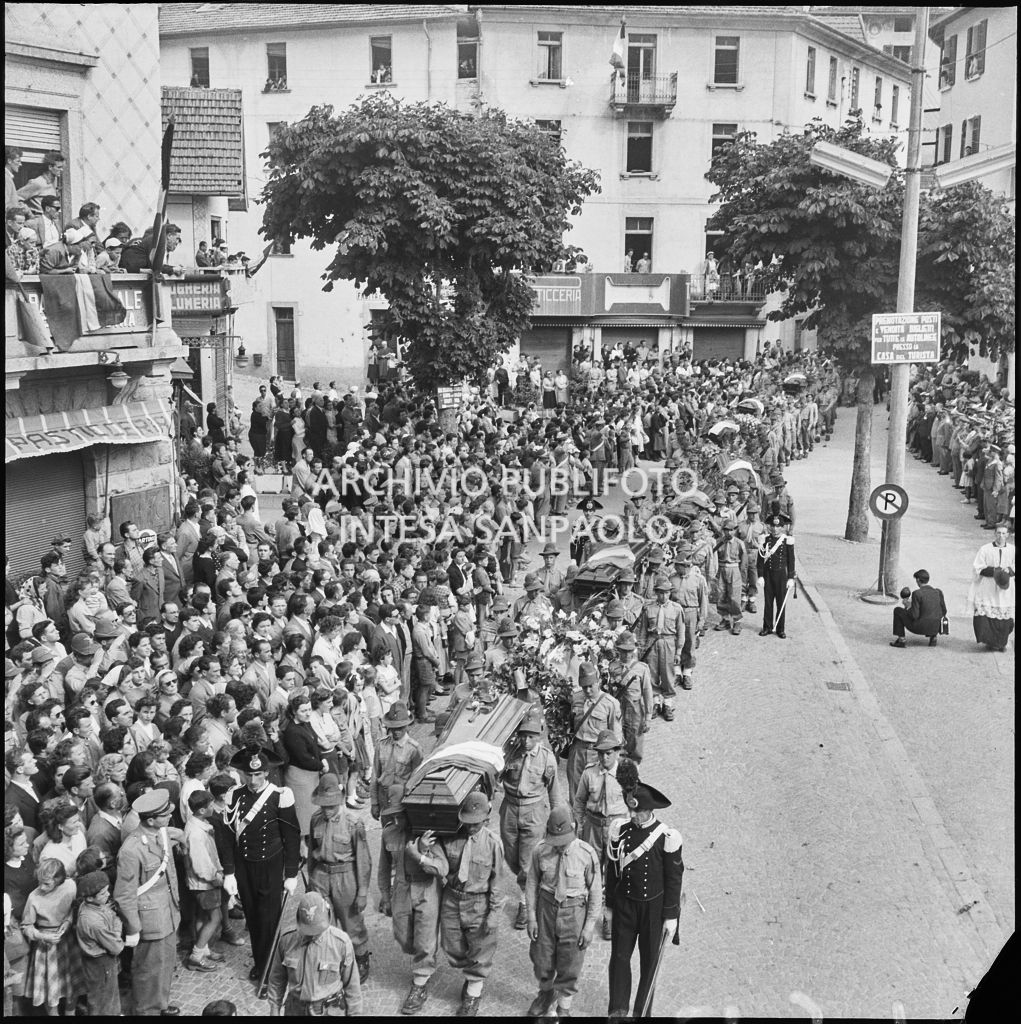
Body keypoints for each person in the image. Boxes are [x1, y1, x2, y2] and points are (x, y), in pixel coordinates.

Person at [606, 773, 684, 1021]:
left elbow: (674, 878)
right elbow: (612, 870)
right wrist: (609, 906)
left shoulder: (667, 837)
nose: (633, 816)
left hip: (653, 909)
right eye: (631, 810)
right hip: (625, 906)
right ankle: (617, 1009)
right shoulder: (620, 831)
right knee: (619, 958)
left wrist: (671, 916)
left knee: (649, 963)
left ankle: (641, 1013)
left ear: (649, 810)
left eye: (638, 812)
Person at [221, 743, 301, 982]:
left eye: (258, 774)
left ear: (266, 772)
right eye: (249, 775)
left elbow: (291, 836)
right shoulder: (233, 795)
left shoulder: (280, 796)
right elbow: (226, 838)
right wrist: (229, 873)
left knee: (269, 919)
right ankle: (260, 962)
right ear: (241, 774)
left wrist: (291, 874)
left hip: (271, 864)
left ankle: (271, 969)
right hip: (245, 865)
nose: (253, 780)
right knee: (253, 918)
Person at [524, 804, 601, 1020]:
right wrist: (531, 917)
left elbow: (595, 893)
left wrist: (588, 927)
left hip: (574, 912)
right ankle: (546, 993)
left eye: (563, 841)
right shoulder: (540, 850)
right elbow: (531, 883)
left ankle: (563, 1007)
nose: (558, 846)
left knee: (571, 961)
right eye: (554, 841)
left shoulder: (586, 854)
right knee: (542, 958)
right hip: (545, 910)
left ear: (574, 830)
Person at [378, 784, 449, 1015]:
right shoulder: (388, 833)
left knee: (425, 939)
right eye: (394, 814)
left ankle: (420, 982)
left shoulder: (428, 834)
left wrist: (421, 854)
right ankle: (422, 960)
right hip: (401, 888)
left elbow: (441, 869)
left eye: (401, 813)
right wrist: (385, 897)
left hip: (426, 889)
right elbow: (383, 867)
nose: (398, 818)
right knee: (402, 935)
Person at [112, 789, 182, 1016]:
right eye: (165, 814)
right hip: (149, 920)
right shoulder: (131, 850)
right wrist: (133, 928)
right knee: (148, 970)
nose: (170, 815)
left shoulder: (159, 833)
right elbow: (124, 895)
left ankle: (160, 1004)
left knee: (165, 965)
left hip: (169, 912)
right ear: (150, 820)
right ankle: (146, 1010)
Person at [438, 791, 504, 1016]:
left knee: (480, 949)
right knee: (451, 945)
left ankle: (473, 991)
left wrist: (494, 913)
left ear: (486, 819)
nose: (471, 827)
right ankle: (471, 972)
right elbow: (440, 863)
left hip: (479, 902)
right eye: (467, 822)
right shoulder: (451, 837)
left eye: (476, 823)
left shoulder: (493, 843)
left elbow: (497, 880)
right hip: (452, 898)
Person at [305, 773, 373, 983]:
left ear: (341, 800)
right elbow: (311, 853)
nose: (327, 810)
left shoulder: (354, 823)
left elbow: (363, 860)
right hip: (321, 875)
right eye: (324, 805)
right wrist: (311, 881)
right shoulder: (315, 819)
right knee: (322, 921)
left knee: (351, 922)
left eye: (331, 806)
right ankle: (330, 960)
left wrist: (362, 892)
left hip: (346, 877)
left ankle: (361, 958)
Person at [498, 709, 561, 931]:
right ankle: (531, 884)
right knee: (512, 857)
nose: (526, 740)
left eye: (531, 736)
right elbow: (496, 776)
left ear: (539, 736)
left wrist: (558, 820)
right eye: (523, 735)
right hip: (510, 811)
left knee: (526, 862)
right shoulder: (510, 753)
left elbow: (554, 791)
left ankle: (525, 904)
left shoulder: (546, 758)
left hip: (534, 813)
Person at [265, 890, 362, 1016]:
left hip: (329, 1010)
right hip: (295, 1010)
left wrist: (355, 1014)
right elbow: (277, 978)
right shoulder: (287, 940)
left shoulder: (341, 943)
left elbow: (352, 986)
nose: (312, 935)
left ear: (328, 917)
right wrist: (274, 1009)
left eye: (317, 930)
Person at [572, 729, 629, 942]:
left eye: (609, 753)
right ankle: (588, 915)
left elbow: (634, 802)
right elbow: (579, 801)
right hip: (593, 827)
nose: (605, 757)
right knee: (592, 871)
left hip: (617, 828)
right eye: (601, 753)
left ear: (617, 752)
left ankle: (609, 917)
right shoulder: (589, 773)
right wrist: (579, 825)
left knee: (615, 873)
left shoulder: (626, 772)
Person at [566, 662, 621, 802]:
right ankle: (577, 821)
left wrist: (613, 761)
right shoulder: (575, 698)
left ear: (599, 682)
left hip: (598, 753)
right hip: (577, 751)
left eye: (591, 686)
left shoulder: (610, 704)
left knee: (597, 792)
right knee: (575, 792)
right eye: (584, 687)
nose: (588, 690)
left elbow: (616, 736)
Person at [74, 869, 124, 1015]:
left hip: (99, 963)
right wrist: (117, 924)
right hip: (100, 964)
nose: (108, 895)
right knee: (103, 998)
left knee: (109, 993)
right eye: (103, 893)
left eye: (107, 891)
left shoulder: (92, 905)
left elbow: (109, 913)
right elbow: (116, 947)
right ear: (89, 898)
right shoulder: (92, 921)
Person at [370, 702, 423, 820]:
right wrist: (374, 802)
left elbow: (417, 779)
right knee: (388, 831)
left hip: (402, 798)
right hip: (384, 797)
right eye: (393, 728)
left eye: (400, 728)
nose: (396, 731)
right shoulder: (381, 745)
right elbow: (375, 774)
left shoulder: (414, 749)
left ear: (407, 726)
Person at [966, 523, 1015, 651]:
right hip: (988, 586)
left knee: (1004, 616)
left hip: (1005, 588)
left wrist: (1008, 571)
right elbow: (978, 567)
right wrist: (994, 571)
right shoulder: (985, 549)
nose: (1001, 536)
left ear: (1008, 535)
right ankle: (990, 641)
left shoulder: (1012, 550)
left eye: (1004, 533)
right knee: (986, 615)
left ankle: (1001, 642)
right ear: (995, 534)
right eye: (998, 533)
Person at [756, 509, 796, 638]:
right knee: (768, 602)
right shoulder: (765, 540)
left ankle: (780, 629)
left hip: (781, 576)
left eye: (778, 526)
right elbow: (760, 559)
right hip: (768, 575)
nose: (775, 528)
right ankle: (767, 627)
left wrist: (791, 577)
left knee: (781, 602)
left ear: (782, 527)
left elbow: (791, 560)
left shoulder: (787, 541)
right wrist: (760, 575)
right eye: (773, 525)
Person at [890, 569, 947, 649]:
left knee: (898, 610)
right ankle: (933, 637)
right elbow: (944, 611)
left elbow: (914, 615)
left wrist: (909, 606)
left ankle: (901, 640)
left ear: (918, 580)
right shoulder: (938, 592)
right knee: (932, 613)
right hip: (935, 628)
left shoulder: (917, 593)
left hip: (919, 628)